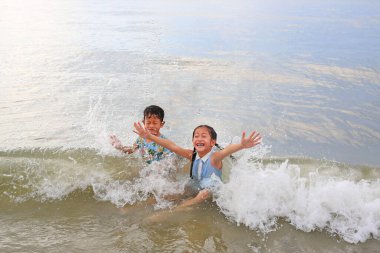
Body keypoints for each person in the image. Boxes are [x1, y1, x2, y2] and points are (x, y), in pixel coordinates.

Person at [133, 122, 262, 209]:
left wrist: (242, 145)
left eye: (203, 136)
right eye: (196, 136)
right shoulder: (192, 155)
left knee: (202, 195)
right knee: (171, 193)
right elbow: (172, 146)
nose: (199, 139)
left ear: (212, 142)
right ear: (193, 140)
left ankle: (176, 211)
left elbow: (227, 150)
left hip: (210, 190)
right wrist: (149, 136)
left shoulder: (215, 158)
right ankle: (137, 207)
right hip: (195, 185)